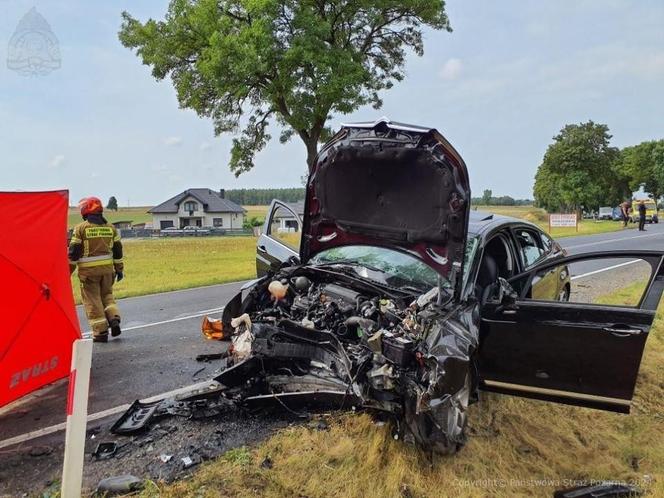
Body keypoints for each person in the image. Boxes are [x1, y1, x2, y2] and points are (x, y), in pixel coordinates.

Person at [68, 197, 124, 343]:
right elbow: (118, 251)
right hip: (107, 271)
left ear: (85, 210)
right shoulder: (111, 228)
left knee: (93, 301)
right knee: (107, 296)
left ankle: (100, 332)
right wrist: (119, 269)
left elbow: (73, 252)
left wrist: (67, 271)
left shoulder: (81, 228)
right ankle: (114, 318)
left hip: (88, 274)